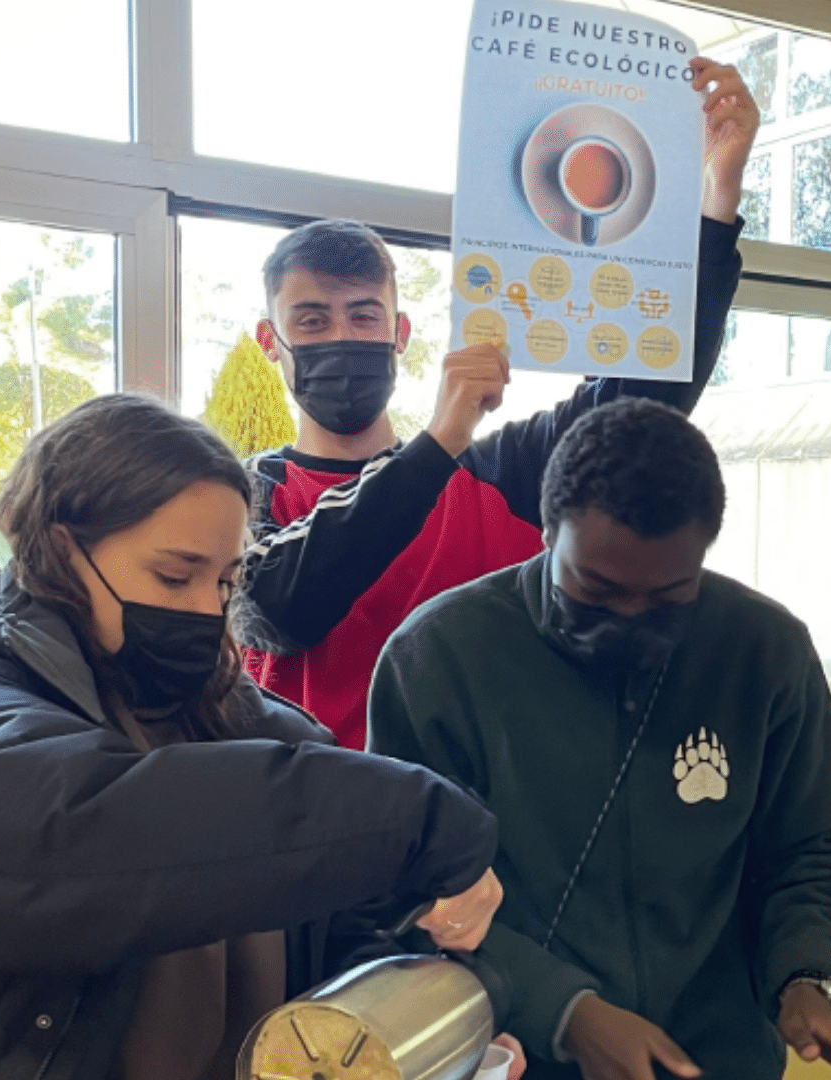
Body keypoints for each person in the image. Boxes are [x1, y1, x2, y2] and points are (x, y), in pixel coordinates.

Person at [0, 394, 504, 1079]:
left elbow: (338, 909)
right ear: (62, 550)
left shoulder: (225, 713)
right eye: (175, 577)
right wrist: (414, 820)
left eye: (226, 581)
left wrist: (418, 1015)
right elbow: (1, 848)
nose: (207, 611)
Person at [242, 58, 759, 749]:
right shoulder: (247, 494)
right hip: (326, 812)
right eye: (312, 320)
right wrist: (437, 442)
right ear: (270, 341)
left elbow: (646, 391)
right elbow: (281, 609)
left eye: (364, 315)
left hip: (479, 814)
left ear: (399, 333)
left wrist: (715, 200)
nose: (343, 336)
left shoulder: (495, 476)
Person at [370, 397, 831, 1080]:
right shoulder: (437, 659)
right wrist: (566, 1013)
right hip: (517, 1058)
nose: (630, 614)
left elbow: (808, 848)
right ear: (547, 532)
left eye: (668, 596)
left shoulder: (764, 652)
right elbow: (414, 894)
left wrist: (808, 977)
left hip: (717, 1060)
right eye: (597, 588)